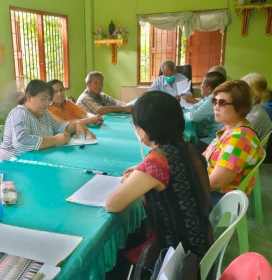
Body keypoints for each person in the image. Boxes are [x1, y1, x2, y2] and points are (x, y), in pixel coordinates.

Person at [105, 91, 213, 260]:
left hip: (180, 259)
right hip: (201, 243)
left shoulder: (159, 160)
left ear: (143, 130)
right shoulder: (189, 147)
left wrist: (131, 180)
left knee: (117, 257)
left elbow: (112, 204)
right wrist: (142, 173)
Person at [0, 80, 95, 162]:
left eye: (49, 100)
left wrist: (77, 124)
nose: (47, 104)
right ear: (29, 97)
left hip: (35, 160)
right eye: (43, 99)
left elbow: (60, 127)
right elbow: (21, 142)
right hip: (12, 164)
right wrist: (55, 140)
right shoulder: (18, 113)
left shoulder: (44, 113)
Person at [203, 80, 264, 206]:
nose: (216, 106)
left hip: (221, 199)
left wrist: (186, 185)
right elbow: (204, 155)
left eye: (222, 102)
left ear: (240, 107)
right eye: (214, 101)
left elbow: (216, 183)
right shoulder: (229, 128)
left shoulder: (239, 138)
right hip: (212, 188)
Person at [184, 71, 226, 148]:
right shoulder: (211, 98)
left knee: (189, 146)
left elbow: (194, 116)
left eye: (202, 84)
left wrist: (182, 114)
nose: (200, 86)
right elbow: (194, 107)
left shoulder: (214, 99)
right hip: (213, 133)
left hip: (218, 138)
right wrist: (184, 111)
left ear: (209, 88)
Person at [241, 73, 272, 141]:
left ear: (257, 96)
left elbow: (240, 139)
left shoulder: (255, 117)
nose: (240, 94)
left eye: (246, 92)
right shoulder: (255, 110)